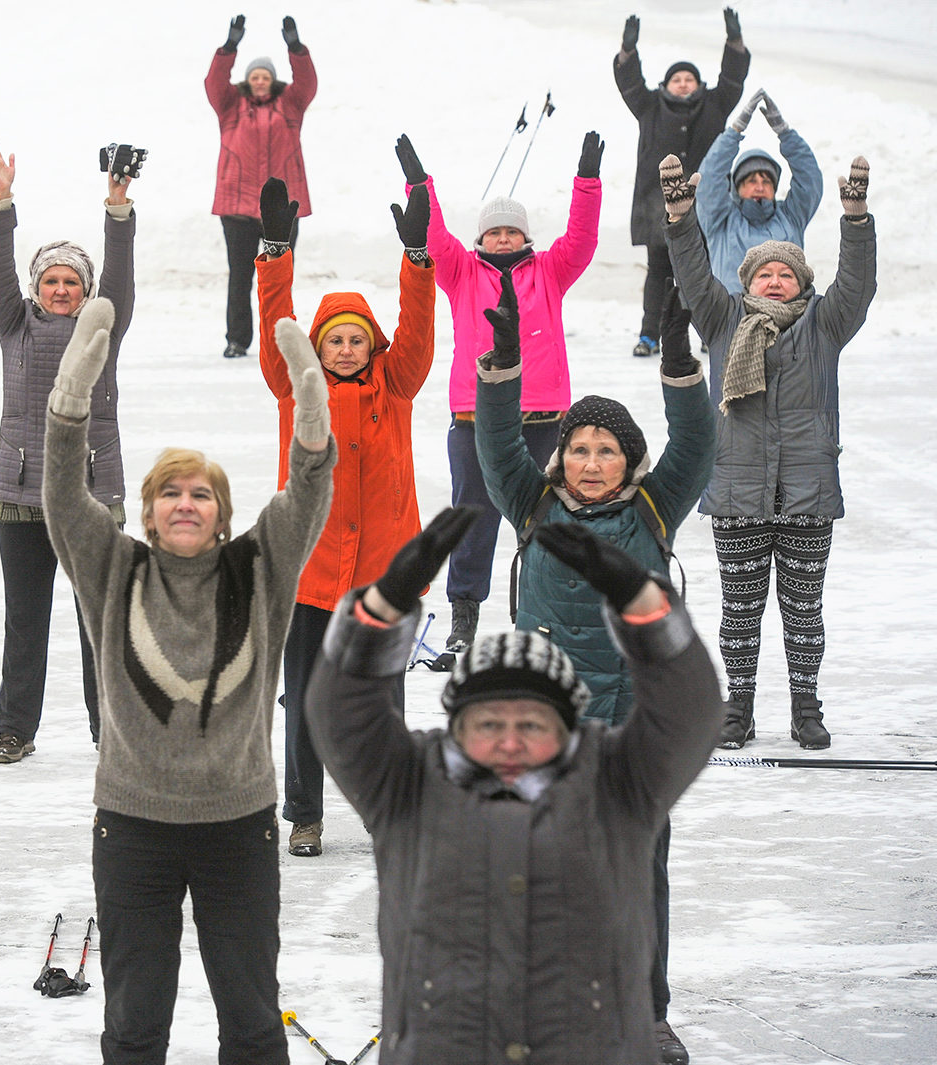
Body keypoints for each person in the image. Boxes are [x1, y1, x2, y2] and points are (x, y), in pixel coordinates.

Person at [305, 510, 724, 1065]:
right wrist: (382, 606)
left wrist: (640, 598)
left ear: (568, 726)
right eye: (488, 724)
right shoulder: (407, 784)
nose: (509, 742)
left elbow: (688, 708)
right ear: (456, 726)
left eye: (531, 724)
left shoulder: (616, 782)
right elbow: (339, 711)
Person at [43, 301, 334, 1064]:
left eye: (201, 493)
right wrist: (68, 406)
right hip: (132, 826)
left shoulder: (258, 568)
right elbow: (64, 500)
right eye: (171, 492)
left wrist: (312, 419)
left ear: (222, 515)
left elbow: (306, 498)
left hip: (238, 826)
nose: (184, 503)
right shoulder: (114, 568)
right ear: (147, 511)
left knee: (252, 1021)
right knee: (135, 1024)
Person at [476, 274, 715, 1065]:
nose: (588, 460)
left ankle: (647, 1013)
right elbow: (496, 445)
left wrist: (678, 365)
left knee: (637, 873)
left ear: (628, 460)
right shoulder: (532, 505)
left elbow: (697, 444)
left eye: (605, 449)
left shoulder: (655, 509)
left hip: (630, 729)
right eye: (578, 447)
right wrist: (502, 366)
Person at [662, 152, 876, 751]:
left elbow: (858, 286)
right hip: (737, 493)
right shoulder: (722, 319)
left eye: (786, 273)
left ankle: (806, 708)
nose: (775, 280)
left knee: (804, 613)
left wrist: (856, 219)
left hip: (808, 494)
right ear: (747, 283)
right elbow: (693, 274)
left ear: (803, 284)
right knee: (740, 613)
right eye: (764, 274)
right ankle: (738, 709)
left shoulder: (825, 325)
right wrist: (680, 218)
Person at [255, 175, 435, 858]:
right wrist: (276, 253)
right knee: (305, 699)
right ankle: (304, 814)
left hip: (384, 576)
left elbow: (418, 329)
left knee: (381, 703)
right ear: (318, 347)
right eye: (335, 340)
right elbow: (275, 322)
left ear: (373, 346)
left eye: (359, 339)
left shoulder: (397, 383)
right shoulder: (295, 387)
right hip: (310, 573)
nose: (347, 349)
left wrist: (416, 259)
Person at [399, 130, 601, 653]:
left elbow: (581, 240)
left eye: (513, 231)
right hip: (476, 421)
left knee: (546, 522)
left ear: (526, 238)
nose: (505, 239)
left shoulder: (551, 271)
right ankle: (463, 621)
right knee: (473, 520)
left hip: (543, 420)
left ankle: (543, 619)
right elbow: (435, 237)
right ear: (482, 240)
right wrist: (419, 184)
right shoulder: (460, 272)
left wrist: (587, 182)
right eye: (495, 232)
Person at [0, 138, 138, 763]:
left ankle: (112, 733)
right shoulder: (13, 324)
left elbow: (120, 276)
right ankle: (15, 730)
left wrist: (117, 208)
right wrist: (1, 203)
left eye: (72, 281)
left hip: (93, 498)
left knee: (99, 622)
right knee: (25, 622)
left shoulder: (105, 326)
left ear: (87, 288)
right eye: (51, 280)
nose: (62, 289)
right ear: (36, 286)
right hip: (22, 497)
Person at [614, 7, 750, 357]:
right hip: (658, 209)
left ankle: (709, 331)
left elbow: (732, 79)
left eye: (690, 78)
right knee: (659, 273)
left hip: (707, 208)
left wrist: (734, 42)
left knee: (705, 273)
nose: (684, 83)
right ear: (666, 85)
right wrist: (628, 51)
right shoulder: (649, 106)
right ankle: (650, 335)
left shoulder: (716, 104)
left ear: (698, 84)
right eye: (677, 79)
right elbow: (629, 83)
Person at [206, 13, 316, 360]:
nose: (259, 81)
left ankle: (280, 340)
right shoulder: (230, 106)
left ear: (273, 81)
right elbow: (215, 83)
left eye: (265, 76)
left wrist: (295, 47)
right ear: (247, 81)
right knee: (240, 277)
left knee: (279, 279)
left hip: (281, 210)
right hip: (237, 208)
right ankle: (237, 340)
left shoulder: (291, 105)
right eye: (254, 76)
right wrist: (229, 47)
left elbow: (307, 83)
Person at [695, 88, 823, 294]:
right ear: (737, 188)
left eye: (767, 181)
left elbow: (810, 181)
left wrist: (785, 132)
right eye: (751, 181)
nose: (760, 186)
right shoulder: (721, 220)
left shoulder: (791, 217)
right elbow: (708, 180)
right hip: (734, 311)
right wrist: (734, 131)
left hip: (788, 312)